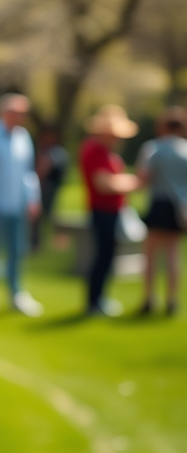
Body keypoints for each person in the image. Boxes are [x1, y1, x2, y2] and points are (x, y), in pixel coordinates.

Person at [0, 93, 43, 318]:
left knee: (17, 250)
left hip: (18, 204)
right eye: (16, 112)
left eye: (23, 113)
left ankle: (15, 293)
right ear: (4, 112)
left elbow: (28, 172)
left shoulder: (23, 137)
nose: (20, 117)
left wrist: (33, 198)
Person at [79, 104, 140, 317]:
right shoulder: (94, 150)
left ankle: (98, 299)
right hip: (102, 210)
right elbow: (103, 183)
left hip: (112, 210)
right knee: (103, 255)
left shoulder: (106, 151)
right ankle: (94, 301)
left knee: (107, 255)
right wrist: (134, 182)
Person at [136, 107, 187, 316]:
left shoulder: (154, 148)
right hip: (180, 206)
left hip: (160, 203)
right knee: (173, 254)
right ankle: (171, 300)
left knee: (150, 254)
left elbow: (143, 177)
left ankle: (149, 298)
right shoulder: (185, 150)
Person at [32, 125, 69, 252]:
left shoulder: (54, 152)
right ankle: (36, 243)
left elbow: (44, 169)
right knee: (41, 217)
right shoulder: (53, 151)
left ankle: (50, 242)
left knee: (45, 215)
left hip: (47, 188)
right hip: (47, 187)